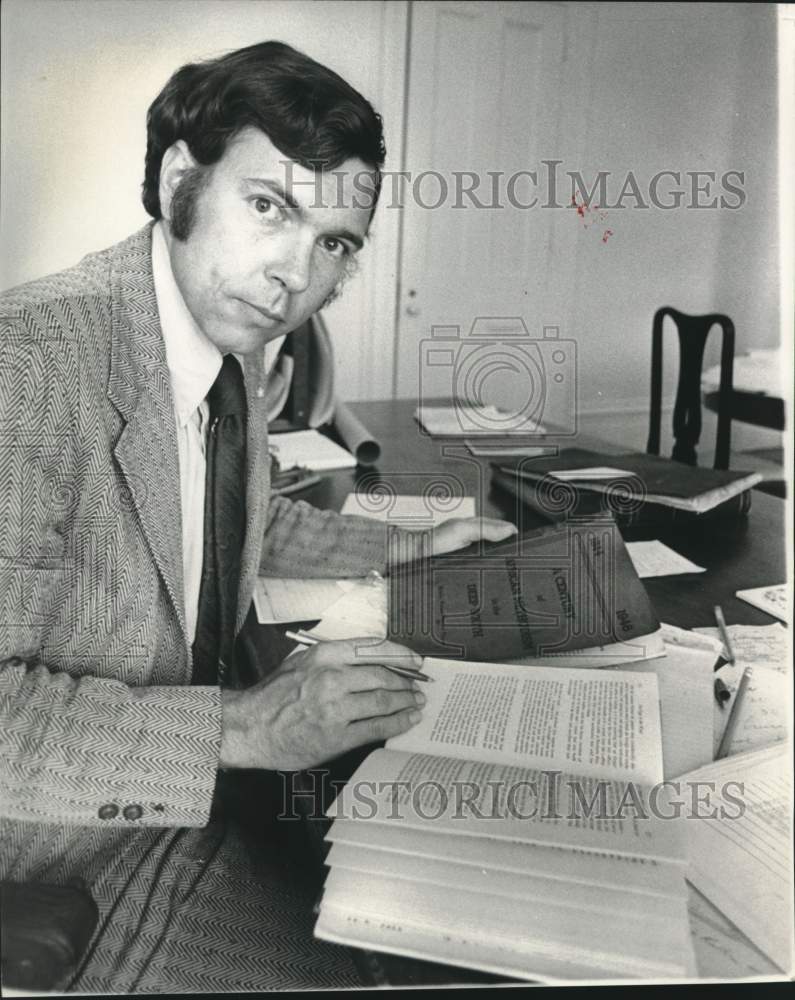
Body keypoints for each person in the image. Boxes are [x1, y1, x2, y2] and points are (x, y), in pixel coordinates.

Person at [0, 40, 515, 992]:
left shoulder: (223, 348)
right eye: (270, 206)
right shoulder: (27, 366)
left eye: (335, 243)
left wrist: (413, 545)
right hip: (60, 857)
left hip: (194, 800)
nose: (295, 273)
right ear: (178, 179)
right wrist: (249, 726)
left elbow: (237, 519)